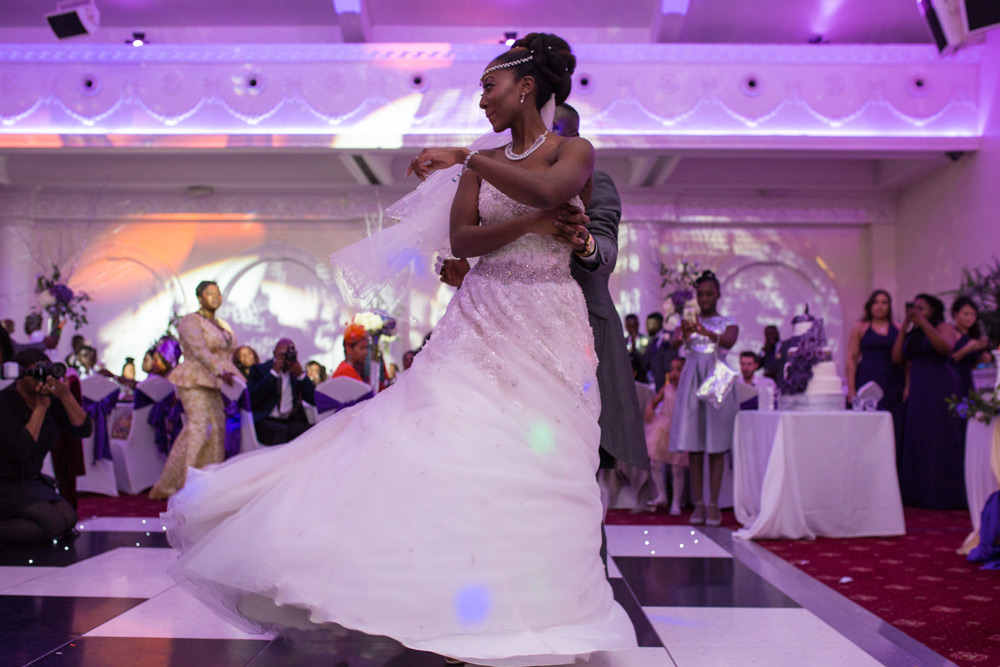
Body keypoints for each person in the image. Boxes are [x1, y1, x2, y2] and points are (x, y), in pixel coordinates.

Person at [163, 33, 636, 667]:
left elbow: (552, 192)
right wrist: (504, 200)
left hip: (550, 321)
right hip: (482, 316)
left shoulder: (574, 150)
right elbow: (464, 237)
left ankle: (536, 602)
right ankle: (438, 595)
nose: (481, 101)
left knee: (543, 457)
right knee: (450, 439)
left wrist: (469, 160)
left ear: (525, 87)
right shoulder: (480, 163)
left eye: (488, 88)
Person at [149, 281, 240, 499]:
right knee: (199, 426)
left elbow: (227, 354)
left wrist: (235, 378)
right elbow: (199, 350)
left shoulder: (222, 324)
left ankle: (209, 481)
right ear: (200, 297)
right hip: (194, 378)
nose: (216, 297)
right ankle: (183, 484)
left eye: (218, 294)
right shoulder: (191, 321)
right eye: (210, 293)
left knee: (217, 427)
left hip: (218, 381)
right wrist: (219, 370)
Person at [668, 270, 739, 527]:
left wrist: (704, 330)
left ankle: (713, 504)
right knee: (695, 446)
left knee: (716, 445)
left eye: (710, 293)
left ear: (718, 294)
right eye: (701, 294)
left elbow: (729, 342)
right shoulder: (687, 320)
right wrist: (685, 333)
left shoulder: (728, 321)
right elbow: (674, 344)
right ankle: (698, 504)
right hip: (691, 380)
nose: (705, 298)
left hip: (716, 382)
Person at [0, 349, 92, 543]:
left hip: (29, 481)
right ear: (21, 375)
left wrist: (66, 396)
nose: (41, 378)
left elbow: (83, 429)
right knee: (53, 525)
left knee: (69, 519)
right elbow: (19, 451)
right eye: (36, 372)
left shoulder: (50, 400)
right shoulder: (6, 403)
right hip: (5, 482)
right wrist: (40, 409)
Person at [892, 294, 965, 510]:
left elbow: (945, 348)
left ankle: (942, 492)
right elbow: (897, 358)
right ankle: (917, 490)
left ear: (932, 310)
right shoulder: (912, 334)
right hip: (918, 386)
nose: (916, 311)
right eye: (913, 308)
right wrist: (904, 328)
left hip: (940, 383)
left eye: (921, 308)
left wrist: (923, 323)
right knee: (919, 433)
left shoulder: (943, 327)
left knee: (938, 434)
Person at [846, 289, 905, 442]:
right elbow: (851, 358)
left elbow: (906, 360)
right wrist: (851, 389)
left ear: (889, 306)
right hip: (867, 380)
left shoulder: (898, 328)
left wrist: (908, 386)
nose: (880, 306)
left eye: (884, 302)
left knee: (894, 423)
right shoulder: (861, 327)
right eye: (876, 302)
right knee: (867, 424)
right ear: (870, 306)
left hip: (894, 381)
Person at [248, 338, 316, 446]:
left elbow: (314, 400)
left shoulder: (295, 371)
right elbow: (252, 400)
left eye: (290, 354)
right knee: (282, 432)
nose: (286, 358)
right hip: (266, 420)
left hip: (289, 420)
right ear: (274, 354)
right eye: (282, 355)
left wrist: (301, 376)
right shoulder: (259, 370)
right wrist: (273, 373)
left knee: (315, 431)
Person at [641, 357, 688, 515]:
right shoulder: (666, 389)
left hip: (679, 430)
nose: (675, 373)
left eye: (679, 370)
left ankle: (676, 502)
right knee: (655, 461)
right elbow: (654, 403)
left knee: (677, 467)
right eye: (672, 369)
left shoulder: (687, 390)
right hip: (663, 428)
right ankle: (661, 495)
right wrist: (649, 408)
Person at [950, 296, 991, 398]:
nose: (970, 318)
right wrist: (968, 348)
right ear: (955, 314)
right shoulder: (950, 333)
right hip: (953, 381)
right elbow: (948, 360)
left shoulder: (971, 336)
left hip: (967, 381)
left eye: (973, 315)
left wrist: (981, 359)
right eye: (966, 314)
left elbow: (970, 364)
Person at [643, 311, 677, 391]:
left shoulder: (671, 336)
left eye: (650, 323)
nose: (647, 327)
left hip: (668, 381)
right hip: (654, 383)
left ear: (658, 323)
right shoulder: (651, 341)